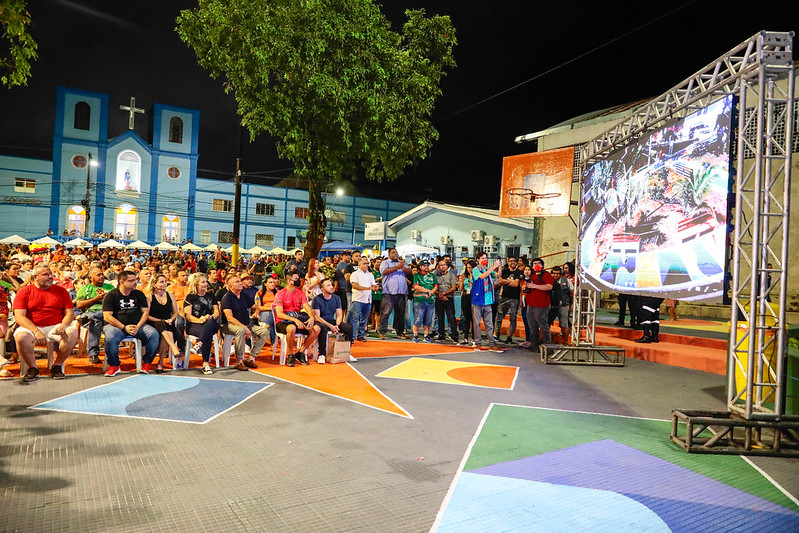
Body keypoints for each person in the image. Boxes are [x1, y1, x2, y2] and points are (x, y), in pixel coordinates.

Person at [12, 265, 79, 381]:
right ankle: (33, 368)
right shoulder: (24, 292)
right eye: (45, 275)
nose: (50, 277)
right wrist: (36, 330)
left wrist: (63, 326)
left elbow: (69, 313)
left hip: (55, 326)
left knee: (72, 333)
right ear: (35, 277)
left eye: (50, 274)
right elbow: (19, 316)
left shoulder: (61, 291)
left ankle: (57, 366)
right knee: (21, 337)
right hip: (31, 327)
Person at [102, 270, 160, 376]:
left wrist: (138, 326)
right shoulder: (111, 295)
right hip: (116, 326)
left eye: (135, 280)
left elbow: (145, 313)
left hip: (137, 326)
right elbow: (107, 316)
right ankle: (114, 365)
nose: (135, 282)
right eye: (131, 280)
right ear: (122, 282)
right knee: (110, 337)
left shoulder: (139, 294)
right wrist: (124, 327)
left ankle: (146, 363)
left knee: (153, 334)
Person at [220, 274, 269, 370]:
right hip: (230, 325)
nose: (240, 283)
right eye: (237, 282)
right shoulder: (227, 298)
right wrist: (245, 328)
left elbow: (256, 307)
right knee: (241, 330)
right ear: (231, 286)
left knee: (265, 332)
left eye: (240, 281)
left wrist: (257, 312)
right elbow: (230, 318)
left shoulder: (244, 295)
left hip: (247, 323)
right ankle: (239, 361)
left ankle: (251, 358)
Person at [274, 270, 321, 367]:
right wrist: (295, 320)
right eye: (296, 279)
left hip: (298, 318)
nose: (299, 280)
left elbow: (307, 308)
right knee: (292, 328)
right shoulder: (280, 294)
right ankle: (290, 355)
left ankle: (300, 353)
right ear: (289, 281)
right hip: (283, 321)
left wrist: (312, 317)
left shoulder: (300, 293)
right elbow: (279, 314)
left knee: (317, 328)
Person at [75, 267, 115, 364]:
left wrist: (106, 298)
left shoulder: (110, 287)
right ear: (90, 278)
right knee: (96, 322)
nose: (102, 276)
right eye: (98, 275)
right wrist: (96, 298)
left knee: (95, 319)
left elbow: (117, 302)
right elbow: (79, 305)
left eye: (102, 274)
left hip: (108, 314)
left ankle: (93, 354)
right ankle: (93, 354)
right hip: (90, 312)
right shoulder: (85, 289)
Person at [183, 273, 221, 375]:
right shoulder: (190, 297)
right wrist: (200, 320)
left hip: (211, 323)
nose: (206, 284)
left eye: (206, 282)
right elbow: (188, 316)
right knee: (207, 334)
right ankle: (205, 364)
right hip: (195, 324)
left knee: (210, 323)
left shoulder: (211, 296)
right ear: (196, 284)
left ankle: (199, 343)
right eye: (203, 282)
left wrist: (209, 317)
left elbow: (217, 313)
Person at [311, 279, 354, 364]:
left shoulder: (336, 298)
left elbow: (339, 315)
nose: (331, 287)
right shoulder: (317, 299)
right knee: (322, 328)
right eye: (328, 285)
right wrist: (331, 326)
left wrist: (337, 325)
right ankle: (322, 354)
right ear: (322, 289)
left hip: (332, 321)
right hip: (321, 321)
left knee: (348, 328)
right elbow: (317, 317)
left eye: (331, 285)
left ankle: (346, 352)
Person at [146, 274, 182, 372]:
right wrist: (160, 320)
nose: (165, 284)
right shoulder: (149, 297)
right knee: (163, 325)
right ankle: (173, 349)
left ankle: (161, 362)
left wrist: (171, 319)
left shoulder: (170, 295)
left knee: (166, 329)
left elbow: (175, 313)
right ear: (154, 284)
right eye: (162, 282)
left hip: (168, 323)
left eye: (165, 281)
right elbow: (147, 315)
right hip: (154, 322)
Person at [471, 252, 503, 352]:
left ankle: (492, 344)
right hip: (478, 300)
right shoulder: (475, 270)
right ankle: (478, 343)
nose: (485, 260)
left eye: (485, 258)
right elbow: (482, 276)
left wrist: (499, 267)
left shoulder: (487, 269)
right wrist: (493, 267)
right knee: (477, 323)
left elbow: (498, 275)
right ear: (478, 260)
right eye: (482, 258)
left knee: (489, 324)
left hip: (487, 300)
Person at [378, 248, 411, 339]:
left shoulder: (401, 263)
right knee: (385, 313)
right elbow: (384, 271)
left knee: (400, 313)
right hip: (389, 292)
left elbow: (410, 272)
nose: (395, 254)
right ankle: (382, 331)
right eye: (393, 252)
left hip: (401, 292)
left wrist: (403, 267)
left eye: (396, 252)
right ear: (389, 254)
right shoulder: (385, 263)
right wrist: (397, 267)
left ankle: (399, 332)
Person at [524, 257, 554, 352]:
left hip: (542, 305)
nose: (536, 265)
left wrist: (535, 286)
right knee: (532, 326)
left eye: (539, 263)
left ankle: (548, 347)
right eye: (534, 264)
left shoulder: (546, 275)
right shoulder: (531, 275)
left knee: (543, 326)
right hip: (530, 304)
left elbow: (549, 286)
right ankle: (534, 345)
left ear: (542, 265)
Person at [494, 255, 525, 344]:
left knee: (513, 318)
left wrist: (506, 282)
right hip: (504, 297)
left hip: (514, 298)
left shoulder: (519, 272)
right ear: (508, 262)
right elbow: (500, 281)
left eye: (514, 261)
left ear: (517, 262)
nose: (512, 263)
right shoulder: (504, 271)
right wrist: (511, 281)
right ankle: (496, 333)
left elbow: (516, 284)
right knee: (499, 316)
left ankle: (510, 336)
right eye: (511, 261)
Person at [349, 257, 378, 341]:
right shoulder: (355, 274)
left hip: (368, 299)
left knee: (364, 319)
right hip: (358, 299)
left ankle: (360, 335)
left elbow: (373, 285)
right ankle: (352, 336)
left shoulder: (370, 275)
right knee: (355, 318)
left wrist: (375, 287)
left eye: (367, 263)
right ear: (359, 265)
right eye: (365, 263)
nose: (367, 265)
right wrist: (368, 288)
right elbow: (354, 285)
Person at [411, 260, 437, 343]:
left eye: (427, 265)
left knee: (428, 319)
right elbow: (416, 286)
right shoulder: (417, 275)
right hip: (419, 300)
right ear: (420, 267)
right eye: (424, 265)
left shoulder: (432, 275)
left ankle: (426, 335)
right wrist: (428, 291)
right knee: (418, 318)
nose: (426, 267)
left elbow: (436, 285)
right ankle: (415, 335)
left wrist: (432, 292)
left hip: (430, 300)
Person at [434, 259, 459, 343]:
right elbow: (433, 287)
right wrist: (439, 295)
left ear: (447, 266)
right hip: (438, 298)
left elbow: (454, 288)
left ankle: (454, 335)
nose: (443, 266)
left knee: (451, 317)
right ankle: (441, 335)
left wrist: (444, 294)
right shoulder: (435, 276)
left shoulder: (452, 275)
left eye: (444, 265)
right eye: (441, 265)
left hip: (449, 298)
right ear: (438, 267)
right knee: (440, 318)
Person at [550, 266, 573, 344]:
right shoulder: (549, 281)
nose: (555, 275)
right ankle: (546, 340)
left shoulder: (566, 281)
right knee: (546, 323)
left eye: (557, 274)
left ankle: (566, 341)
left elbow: (572, 292)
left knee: (564, 324)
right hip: (551, 305)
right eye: (554, 273)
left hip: (564, 305)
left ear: (560, 274)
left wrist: (572, 304)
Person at [255, 276, 278, 345]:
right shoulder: (259, 293)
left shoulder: (278, 292)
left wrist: (273, 309)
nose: (273, 284)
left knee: (272, 316)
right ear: (265, 284)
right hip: (264, 313)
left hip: (276, 313)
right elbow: (259, 307)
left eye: (273, 282)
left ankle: (266, 327)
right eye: (270, 282)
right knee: (270, 316)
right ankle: (273, 343)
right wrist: (271, 308)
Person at [458, 260, 475, 344]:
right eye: (467, 268)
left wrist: (473, 285)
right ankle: (465, 338)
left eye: (470, 268)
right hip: (465, 297)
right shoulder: (465, 276)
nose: (469, 269)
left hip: (474, 297)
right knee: (466, 318)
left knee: (474, 318)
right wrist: (461, 281)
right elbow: (461, 289)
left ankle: (474, 338)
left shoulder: (477, 276)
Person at [335, 250, 355, 317]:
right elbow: (345, 272)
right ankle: (342, 320)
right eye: (345, 255)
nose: (348, 257)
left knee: (347, 306)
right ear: (342, 256)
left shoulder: (349, 265)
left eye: (349, 255)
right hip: (343, 288)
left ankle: (345, 320)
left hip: (349, 287)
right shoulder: (341, 264)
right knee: (343, 306)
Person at [369, 257, 383, 332]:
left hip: (379, 294)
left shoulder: (382, 272)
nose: (379, 264)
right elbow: (370, 281)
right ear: (373, 263)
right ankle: (368, 326)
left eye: (380, 262)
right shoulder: (370, 272)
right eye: (377, 262)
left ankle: (377, 327)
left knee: (378, 312)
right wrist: (379, 278)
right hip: (371, 294)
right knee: (369, 311)